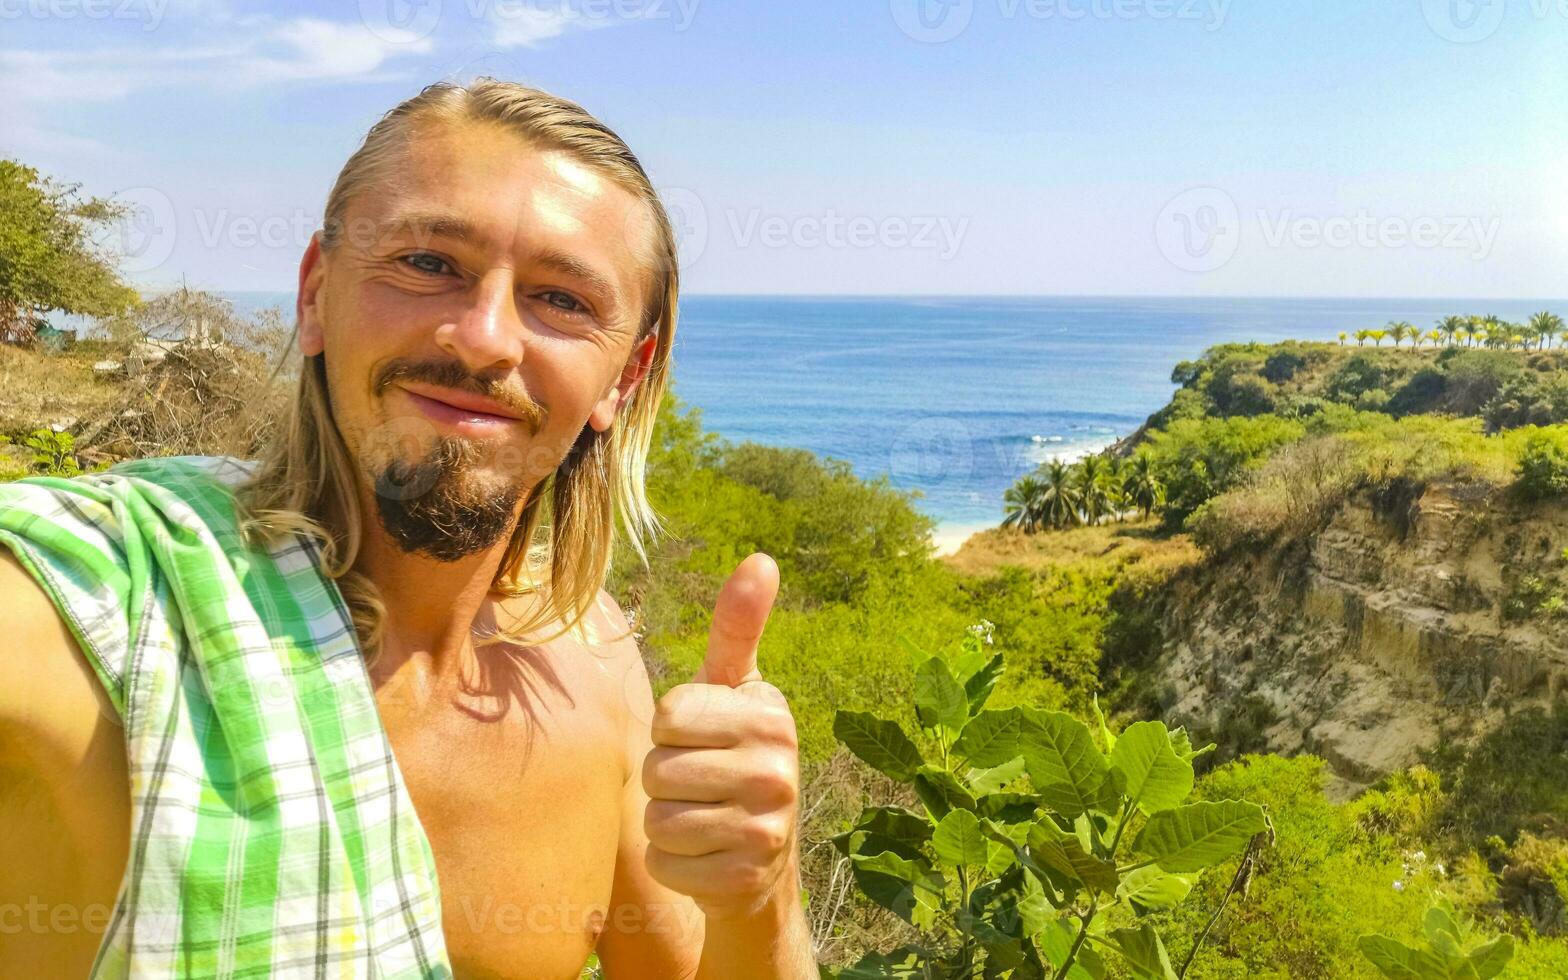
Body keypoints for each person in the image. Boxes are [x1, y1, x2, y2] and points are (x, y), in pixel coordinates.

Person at [0, 78, 815, 979]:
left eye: (562, 300)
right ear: (315, 295)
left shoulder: (597, 663)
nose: (484, 339)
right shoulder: (108, 609)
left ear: (626, 377)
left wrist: (763, 895)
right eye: (429, 264)